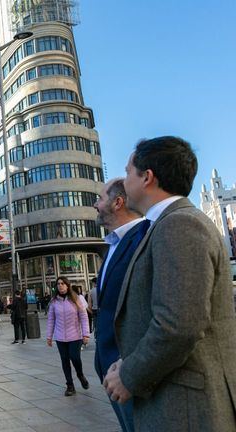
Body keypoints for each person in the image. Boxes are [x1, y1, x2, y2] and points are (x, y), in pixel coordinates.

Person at [104, 137, 236, 431]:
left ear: (147, 177)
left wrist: (130, 375)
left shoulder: (180, 225)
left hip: (186, 408)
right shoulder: (166, 225)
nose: (124, 182)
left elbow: (179, 324)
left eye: (128, 173)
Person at [92, 178, 145, 431]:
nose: (95, 204)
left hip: (129, 372)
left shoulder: (143, 238)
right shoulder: (113, 244)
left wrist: (131, 366)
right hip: (109, 369)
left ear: (118, 203)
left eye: (100, 198)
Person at [46, 277, 90, 396]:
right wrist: (49, 336)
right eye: (58, 284)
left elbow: (84, 317)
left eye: (62, 283)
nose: (60, 286)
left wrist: (86, 334)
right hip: (60, 337)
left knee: (75, 358)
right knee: (65, 361)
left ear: (67, 285)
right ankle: (70, 386)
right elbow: (51, 320)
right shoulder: (54, 301)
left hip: (75, 336)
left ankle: (80, 375)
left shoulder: (76, 299)